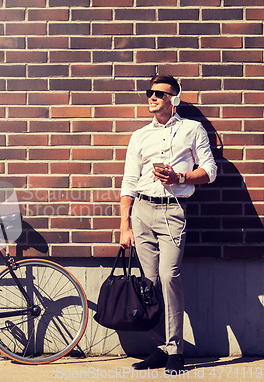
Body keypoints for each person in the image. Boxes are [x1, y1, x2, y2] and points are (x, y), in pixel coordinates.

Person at [119, 75, 217, 374]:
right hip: (142, 212)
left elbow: (210, 170)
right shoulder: (140, 136)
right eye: (150, 92)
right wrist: (125, 224)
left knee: (169, 277)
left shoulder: (192, 129)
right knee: (150, 284)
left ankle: (176, 349)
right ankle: (160, 347)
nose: (153, 97)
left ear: (174, 98)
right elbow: (129, 181)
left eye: (160, 93)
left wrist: (181, 178)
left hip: (173, 211)